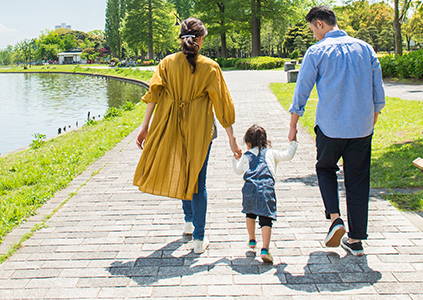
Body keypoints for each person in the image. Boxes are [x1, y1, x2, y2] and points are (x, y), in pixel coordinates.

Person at [134, 17, 242, 254]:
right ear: (201, 39)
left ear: (181, 38)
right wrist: (232, 138)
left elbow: (153, 94)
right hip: (200, 129)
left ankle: (189, 221)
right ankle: (199, 239)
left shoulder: (166, 63)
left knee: (184, 173)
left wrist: (145, 126)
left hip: (172, 124)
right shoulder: (210, 67)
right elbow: (223, 105)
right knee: (198, 181)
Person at [288, 6, 385, 256]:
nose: (313, 35)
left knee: (325, 169)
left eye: (313, 30)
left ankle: (335, 219)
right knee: (358, 179)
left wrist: (292, 125)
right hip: (362, 128)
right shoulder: (365, 48)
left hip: (330, 128)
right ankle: (355, 240)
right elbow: (378, 91)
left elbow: (302, 90)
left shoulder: (317, 51)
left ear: (320, 24)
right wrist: (370, 121)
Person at [233, 125, 297, 263]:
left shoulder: (246, 155)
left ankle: (251, 239)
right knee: (266, 219)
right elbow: (288, 155)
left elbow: (238, 171)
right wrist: (294, 142)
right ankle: (265, 249)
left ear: (248, 143)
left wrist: (236, 159)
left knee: (250, 213)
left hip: (249, 189)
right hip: (266, 189)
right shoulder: (271, 153)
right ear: (265, 141)